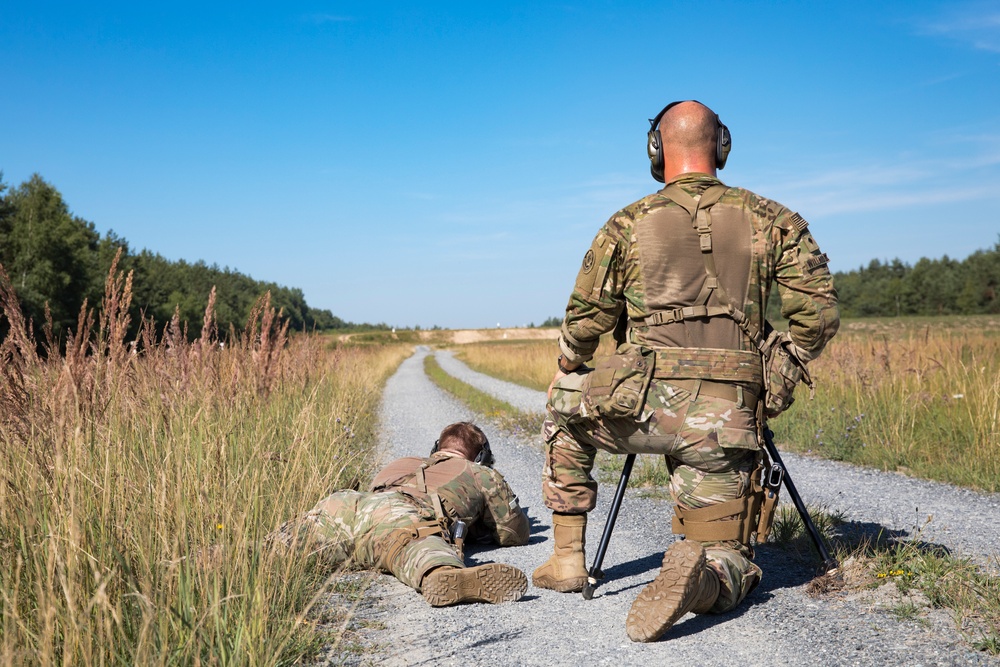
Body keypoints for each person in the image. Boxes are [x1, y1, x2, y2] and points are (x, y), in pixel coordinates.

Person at [533, 100, 839, 641]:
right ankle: (704, 580)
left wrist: (568, 367)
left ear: (657, 149)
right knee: (727, 554)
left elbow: (583, 324)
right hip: (725, 422)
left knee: (562, 408)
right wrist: (775, 381)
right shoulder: (775, 220)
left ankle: (566, 560)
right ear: (721, 145)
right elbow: (817, 317)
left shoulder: (626, 224)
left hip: (640, 414)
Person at [275, 422, 530, 606]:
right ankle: (441, 573)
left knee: (290, 544)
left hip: (347, 505)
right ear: (482, 456)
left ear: (437, 448)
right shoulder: (479, 472)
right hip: (401, 516)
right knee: (418, 544)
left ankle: (254, 555)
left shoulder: (401, 462)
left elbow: (375, 510)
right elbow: (512, 533)